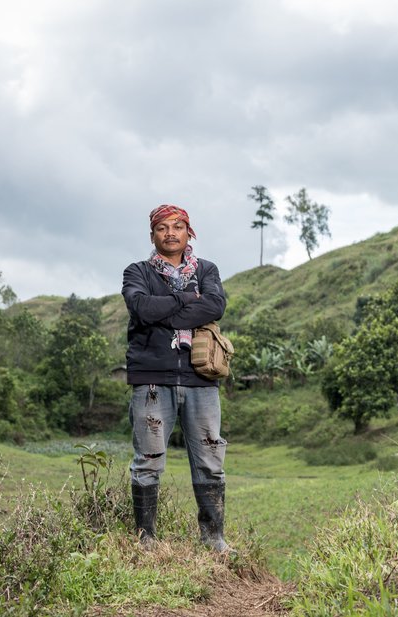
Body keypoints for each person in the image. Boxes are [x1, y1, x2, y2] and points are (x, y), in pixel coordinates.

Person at [121, 204, 231, 552]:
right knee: (148, 461)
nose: (171, 233)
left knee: (210, 461)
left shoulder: (207, 270)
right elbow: (141, 308)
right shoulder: (136, 271)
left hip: (201, 379)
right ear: (152, 235)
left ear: (188, 232)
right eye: (163, 228)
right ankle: (146, 540)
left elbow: (214, 306)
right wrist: (185, 299)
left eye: (178, 226)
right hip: (152, 380)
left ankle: (214, 539)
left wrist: (163, 310)